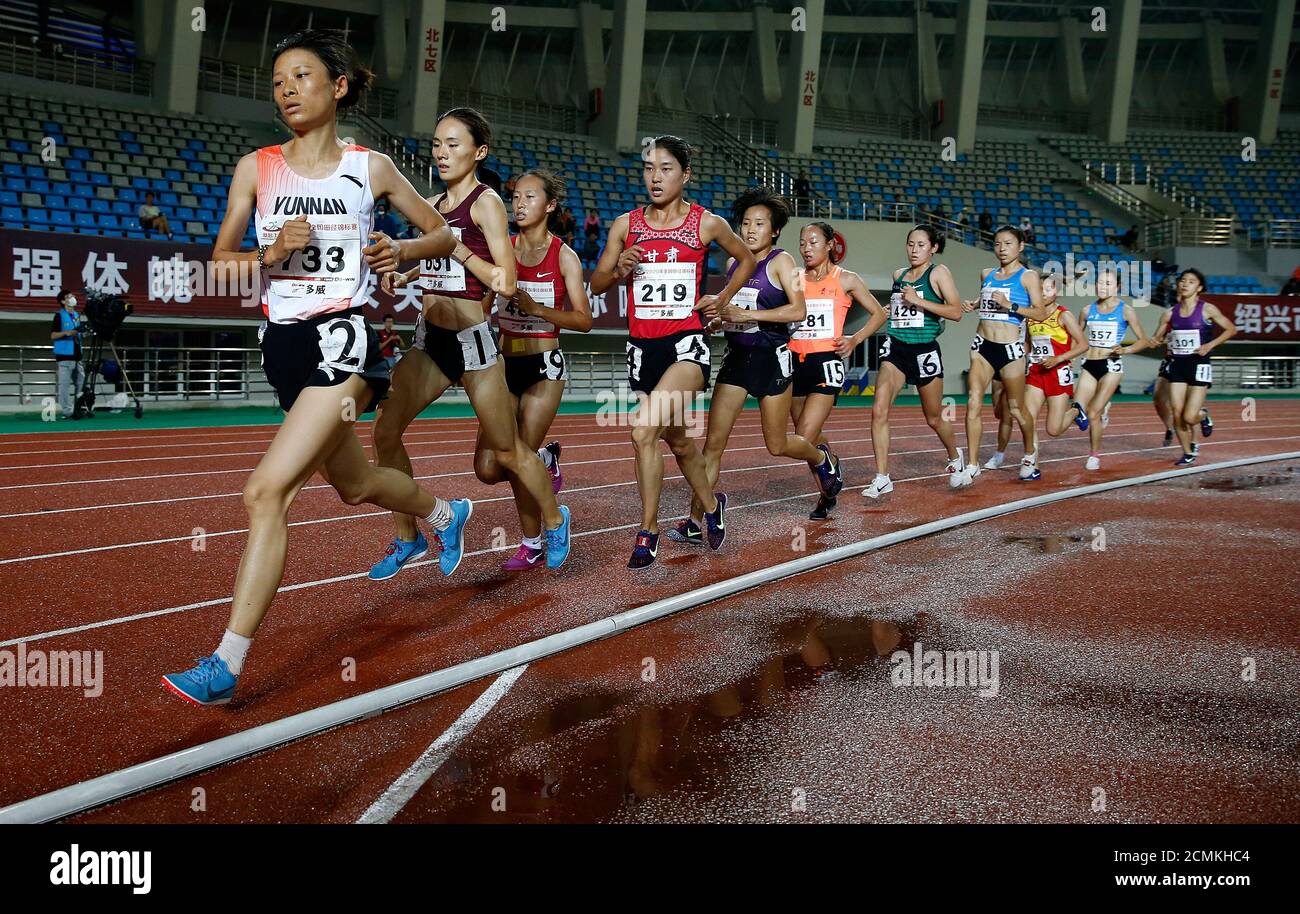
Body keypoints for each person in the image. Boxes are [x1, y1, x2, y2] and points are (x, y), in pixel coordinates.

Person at [161, 28, 464, 706]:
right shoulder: (256, 167)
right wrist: (268, 257)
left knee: (266, 492)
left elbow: (446, 233)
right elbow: (219, 264)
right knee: (355, 485)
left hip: (347, 340)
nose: (287, 90)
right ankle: (446, 513)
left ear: (339, 87)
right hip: (284, 346)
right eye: (278, 82)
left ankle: (225, 662)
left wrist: (401, 249)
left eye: (301, 76)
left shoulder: (371, 168)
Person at [376, 107, 572, 580]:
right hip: (430, 341)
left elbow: (504, 281)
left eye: (454, 144)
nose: (442, 152)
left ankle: (554, 519)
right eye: (438, 143)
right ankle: (410, 535)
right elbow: (436, 263)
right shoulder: (433, 206)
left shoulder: (486, 203)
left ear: (479, 152)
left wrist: (456, 248)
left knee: (503, 453)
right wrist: (403, 272)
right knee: (384, 431)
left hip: (473, 343)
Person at [589, 134, 755, 569]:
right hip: (643, 349)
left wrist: (722, 299)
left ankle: (649, 531)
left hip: (687, 346)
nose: (655, 177)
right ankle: (713, 507)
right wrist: (618, 268)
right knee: (679, 441)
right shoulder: (626, 224)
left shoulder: (706, 223)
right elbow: (597, 284)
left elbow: (747, 259)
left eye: (665, 169)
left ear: (685, 175)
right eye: (648, 168)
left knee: (643, 431)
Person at [666, 187, 835, 544]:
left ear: (774, 230)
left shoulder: (782, 262)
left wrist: (749, 313)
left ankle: (821, 458)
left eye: (759, 223)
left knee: (777, 445)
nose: (750, 230)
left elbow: (798, 310)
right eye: (745, 223)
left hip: (772, 361)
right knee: (713, 446)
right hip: (737, 359)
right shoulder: (732, 264)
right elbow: (731, 314)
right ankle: (699, 519)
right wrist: (718, 321)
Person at [494, 169, 593, 570]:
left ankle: (533, 541)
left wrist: (538, 310)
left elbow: (584, 320)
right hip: (502, 364)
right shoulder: (500, 249)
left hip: (543, 364)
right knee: (489, 466)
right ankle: (546, 462)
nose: (519, 204)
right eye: (516, 196)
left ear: (550, 205)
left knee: (519, 456)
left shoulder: (563, 256)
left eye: (530, 197)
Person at [789, 221, 887, 518]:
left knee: (804, 438)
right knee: (809, 436)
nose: (806, 248)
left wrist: (855, 339)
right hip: (794, 362)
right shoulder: (793, 278)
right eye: (803, 242)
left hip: (826, 364)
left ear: (830, 244)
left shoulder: (846, 279)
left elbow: (879, 313)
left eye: (814, 242)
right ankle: (826, 491)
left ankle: (828, 468)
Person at [862, 225, 965, 498]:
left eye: (921, 245)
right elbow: (901, 308)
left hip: (924, 350)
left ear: (933, 248)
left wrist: (919, 300)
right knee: (879, 408)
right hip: (896, 348)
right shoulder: (899, 275)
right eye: (910, 244)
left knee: (933, 417)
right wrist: (893, 310)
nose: (914, 250)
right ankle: (882, 477)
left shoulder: (939, 273)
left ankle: (955, 456)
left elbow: (956, 312)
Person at [955, 225, 1049, 486]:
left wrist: (1011, 306)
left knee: (1017, 409)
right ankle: (972, 465)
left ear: (1020, 247)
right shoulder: (987, 274)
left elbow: (1040, 313)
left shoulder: (1028, 276)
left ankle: (1030, 453)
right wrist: (975, 303)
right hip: (983, 345)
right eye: (997, 244)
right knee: (973, 401)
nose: (1002, 248)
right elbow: (988, 299)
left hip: (1010, 350)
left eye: (1008, 243)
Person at [1152, 268, 1236, 465]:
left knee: (1190, 416)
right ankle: (1188, 452)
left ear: (1199, 288)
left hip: (1199, 365)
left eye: (1190, 281)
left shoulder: (1208, 309)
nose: (1184, 283)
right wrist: (1156, 341)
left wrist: (1210, 345)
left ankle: (1203, 416)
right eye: (1182, 280)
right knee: (1176, 410)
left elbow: (1231, 329)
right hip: (1177, 365)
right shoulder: (1169, 313)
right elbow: (1157, 337)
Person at [1074, 270, 1154, 470]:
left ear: (1117, 287)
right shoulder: (1086, 310)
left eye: (1108, 283)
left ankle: (1094, 455)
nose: (1102, 286)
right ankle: (1102, 411)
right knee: (1078, 409)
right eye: (1100, 282)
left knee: (1093, 412)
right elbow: (1075, 337)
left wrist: (1125, 349)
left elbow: (1144, 340)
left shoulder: (1126, 311)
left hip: (1111, 366)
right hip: (1089, 364)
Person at [1020, 274, 1090, 474]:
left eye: (1047, 289)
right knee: (1028, 419)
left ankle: (1076, 410)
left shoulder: (1063, 315)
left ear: (1056, 292)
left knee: (1053, 429)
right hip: (1036, 372)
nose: (1042, 294)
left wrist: (1058, 359)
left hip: (1058, 372)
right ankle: (1032, 465)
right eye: (1039, 289)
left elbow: (1083, 344)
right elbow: (1028, 344)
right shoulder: (1031, 315)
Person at [50, 289, 85, 419]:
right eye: (69, 296)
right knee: (64, 386)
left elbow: (78, 333)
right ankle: (67, 411)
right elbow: (53, 335)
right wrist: (67, 333)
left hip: (77, 355)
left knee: (81, 384)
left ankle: (79, 407)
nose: (72, 297)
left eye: (72, 295)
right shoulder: (59, 316)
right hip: (64, 356)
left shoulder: (76, 315)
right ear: (63, 301)